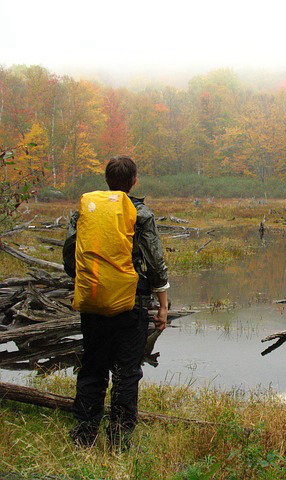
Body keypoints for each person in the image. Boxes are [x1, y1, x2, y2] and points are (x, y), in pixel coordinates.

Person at [63, 155, 169, 448]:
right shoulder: (142, 214)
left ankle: (84, 435)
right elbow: (155, 262)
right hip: (131, 303)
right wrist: (162, 304)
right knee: (127, 371)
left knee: (93, 366)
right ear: (134, 180)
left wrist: (89, 282)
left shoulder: (85, 211)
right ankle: (119, 440)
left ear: (106, 180)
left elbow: (70, 258)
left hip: (94, 300)